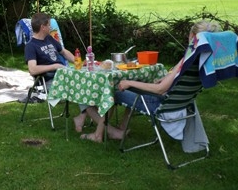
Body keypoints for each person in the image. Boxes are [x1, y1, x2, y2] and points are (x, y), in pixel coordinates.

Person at [78, 19, 222, 143]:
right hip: (179, 104)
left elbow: (160, 90)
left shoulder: (187, 59)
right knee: (138, 85)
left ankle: (98, 135)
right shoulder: (203, 61)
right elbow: (172, 81)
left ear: (191, 36)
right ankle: (120, 129)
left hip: (159, 103)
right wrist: (164, 79)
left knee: (113, 91)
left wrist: (130, 83)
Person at [24, 12, 75, 88]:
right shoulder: (31, 46)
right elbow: (32, 69)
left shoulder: (49, 38)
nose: (50, 27)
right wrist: (55, 66)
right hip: (50, 79)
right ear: (43, 27)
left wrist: (78, 62)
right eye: (48, 25)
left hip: (62, 73)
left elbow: (64, 52)